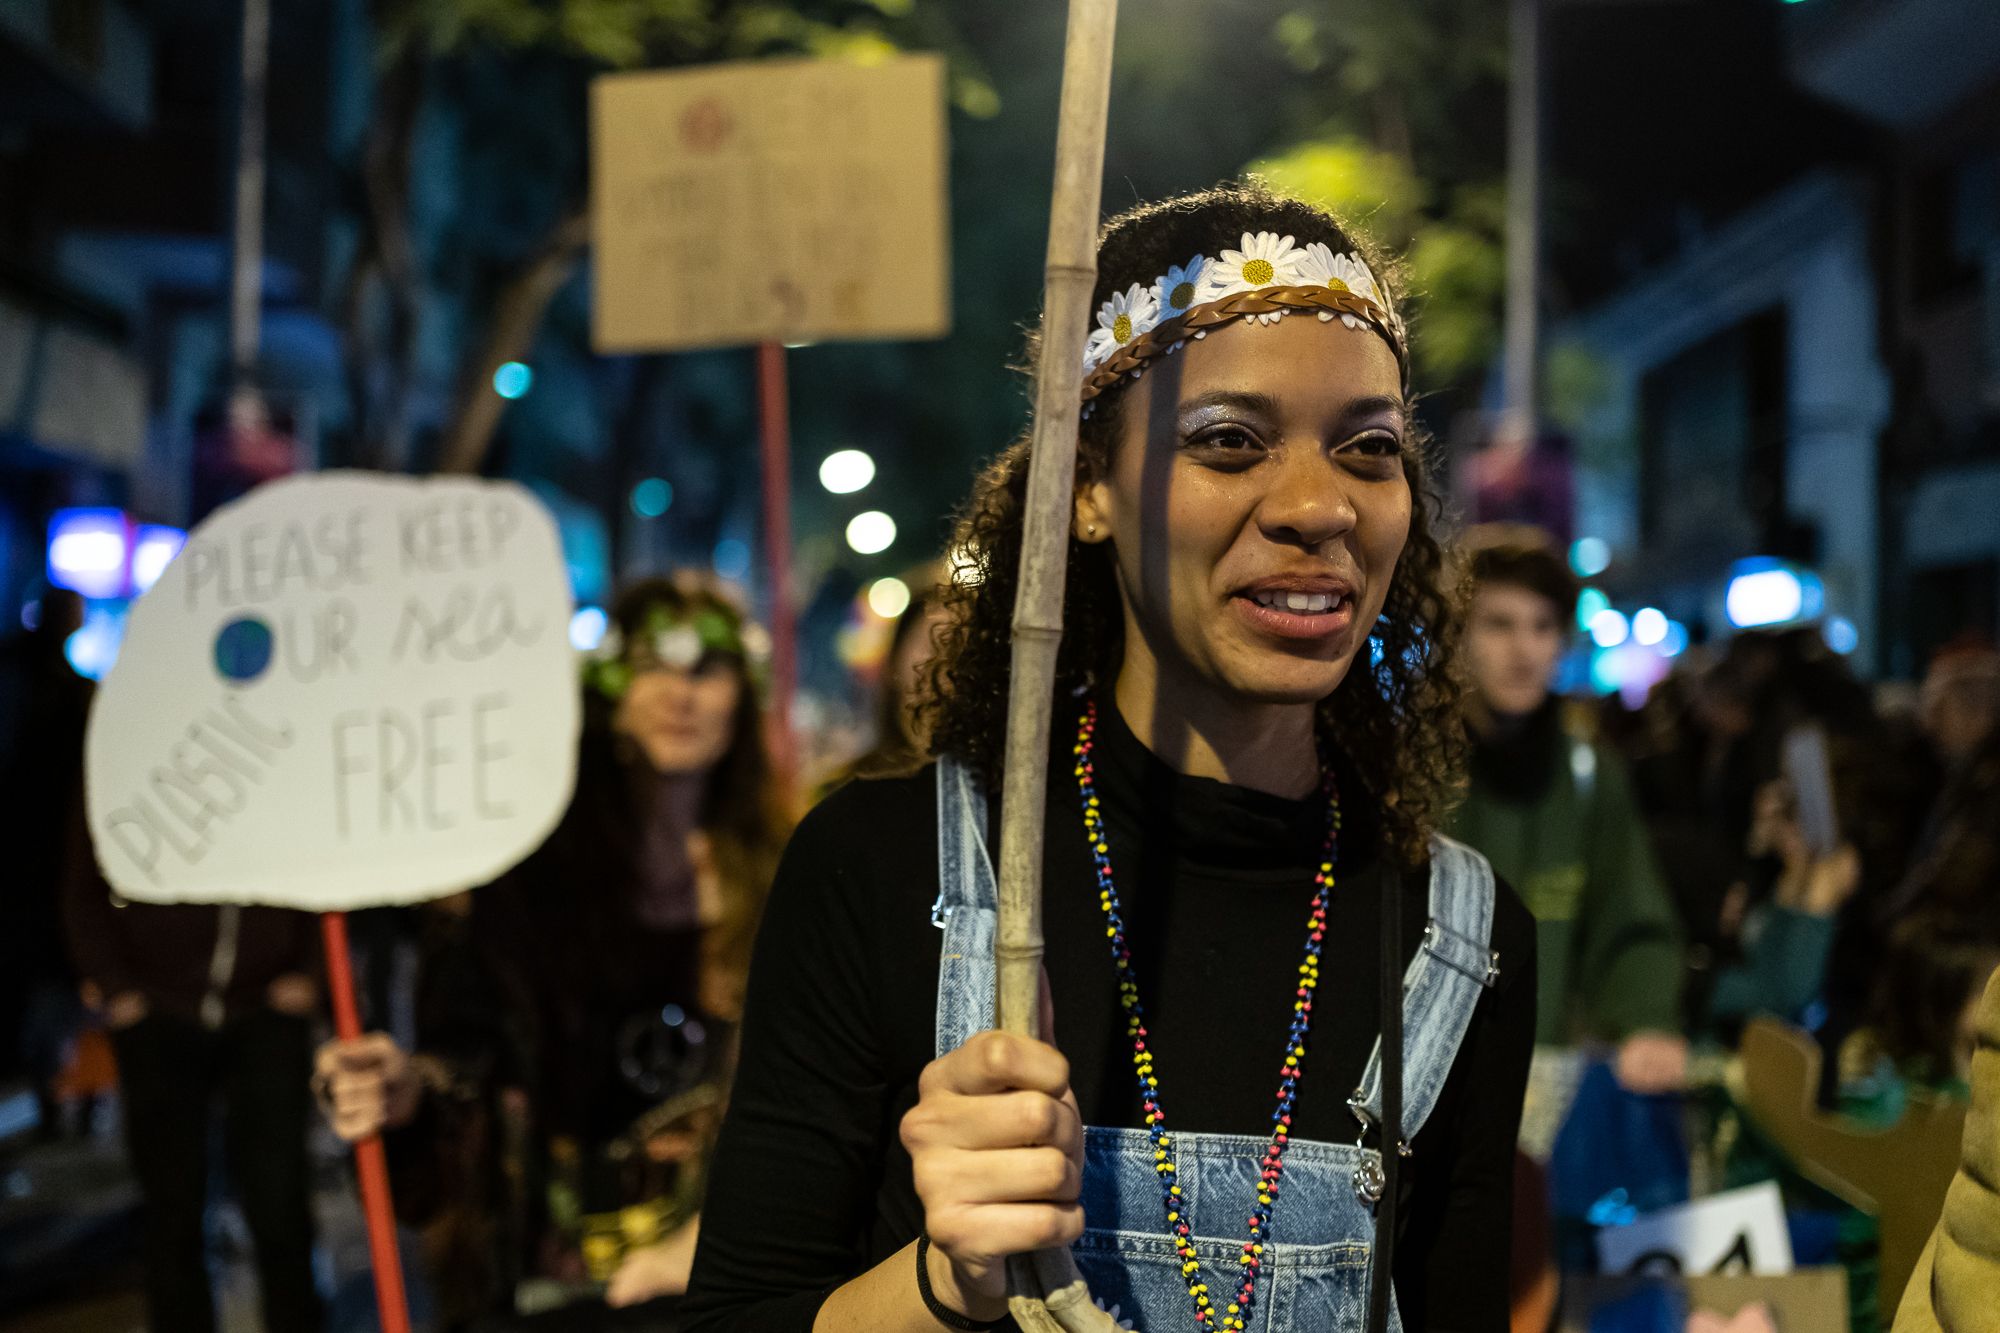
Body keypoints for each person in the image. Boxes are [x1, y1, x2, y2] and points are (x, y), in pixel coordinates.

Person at [683, 183, 1537, 1333]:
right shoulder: (883, 872)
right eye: (1228, 442)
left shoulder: (1461, 939)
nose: (1315, 505)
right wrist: (945, 1281)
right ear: (1086, 487)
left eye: (1367, 449)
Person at [316, 576, 790, 1329]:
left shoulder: (783, 873)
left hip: (729, 1271)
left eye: (708, 670)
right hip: (552, 1279)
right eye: (654, 665)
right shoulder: (528, 882)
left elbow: (813, 1091)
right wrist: (409, 1087)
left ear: (743, 694)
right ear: (609, 688)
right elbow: (473, 1055)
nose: (681, 694)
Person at [1445, 526, 1687, 1094]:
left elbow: (1630, 918)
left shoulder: (1590, 776)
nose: (1524, 650)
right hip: (1419, 1093)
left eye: (1543, 626)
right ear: (1456, 636)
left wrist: (1647, 1020)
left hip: (1542, 1093)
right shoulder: (1410, 772)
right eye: (1499, 624)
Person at [61, 818, 324, 1332]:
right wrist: (114, 985)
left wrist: (313, 972)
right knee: (171, 1208)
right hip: (158, 1009)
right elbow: (84, 878)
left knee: (280, 1201)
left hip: (267, 1003)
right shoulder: (128, 743)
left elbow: (320, 855)